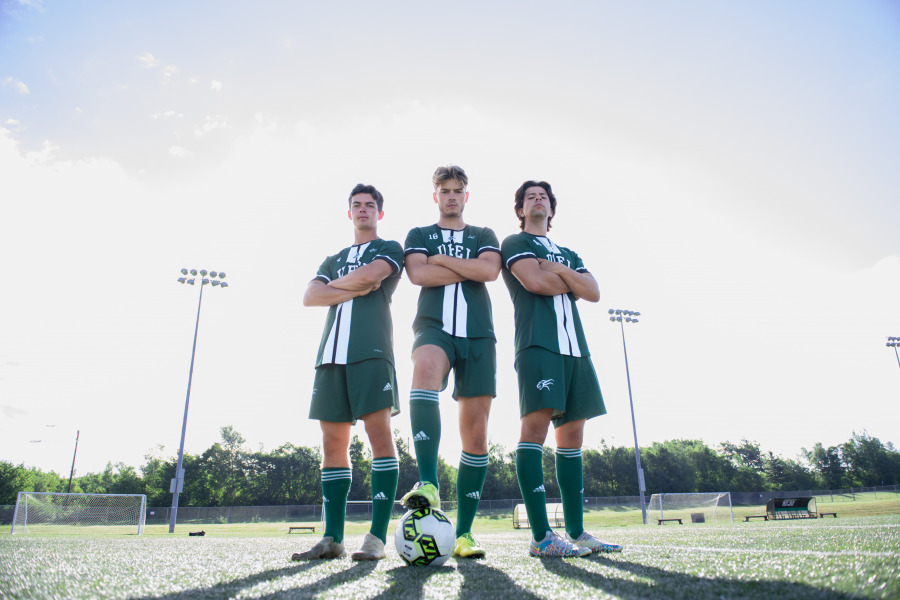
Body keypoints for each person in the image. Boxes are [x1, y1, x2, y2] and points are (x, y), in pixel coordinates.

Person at [499, 180, 624, 557]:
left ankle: (577, 532)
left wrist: (560, 271)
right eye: (529, 197)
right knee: (534, 432)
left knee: (572, 440)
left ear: (552, 209)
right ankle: (541, 537)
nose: (537, 201)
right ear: (520, 209)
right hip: (539, 345)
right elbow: (535, 281)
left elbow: (594, 292)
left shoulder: (568, 251)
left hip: (576, 350)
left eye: (544, 197)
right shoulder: (515, 243)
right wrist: (570, 279)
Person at [292, 183, 404, 562]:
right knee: (331, 443)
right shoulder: (333, 258)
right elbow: (311, 297)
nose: (362, 210)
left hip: (370, 352)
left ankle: (375, 538)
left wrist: (337, 288)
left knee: (379, 436)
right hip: (330, 356)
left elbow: (374, 275)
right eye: (356, 205)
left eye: (369, 205)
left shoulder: (390, 248)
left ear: (379, 213)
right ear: (349, 212)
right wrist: (356, 286)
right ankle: (332, 538)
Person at [400, 165, 501, 559]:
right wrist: (463, 267)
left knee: (476, 436)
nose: (452, 196)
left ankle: (464, 535)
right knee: (423, 367)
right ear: (435, 196)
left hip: (478, 335)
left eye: (459, 190)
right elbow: (417, 275)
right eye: (445, 190)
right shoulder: (418, 234)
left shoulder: (484, 235)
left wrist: (442, 261)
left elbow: (489, 270)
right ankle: (427, 482)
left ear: (466, 196)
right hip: (434, 327)